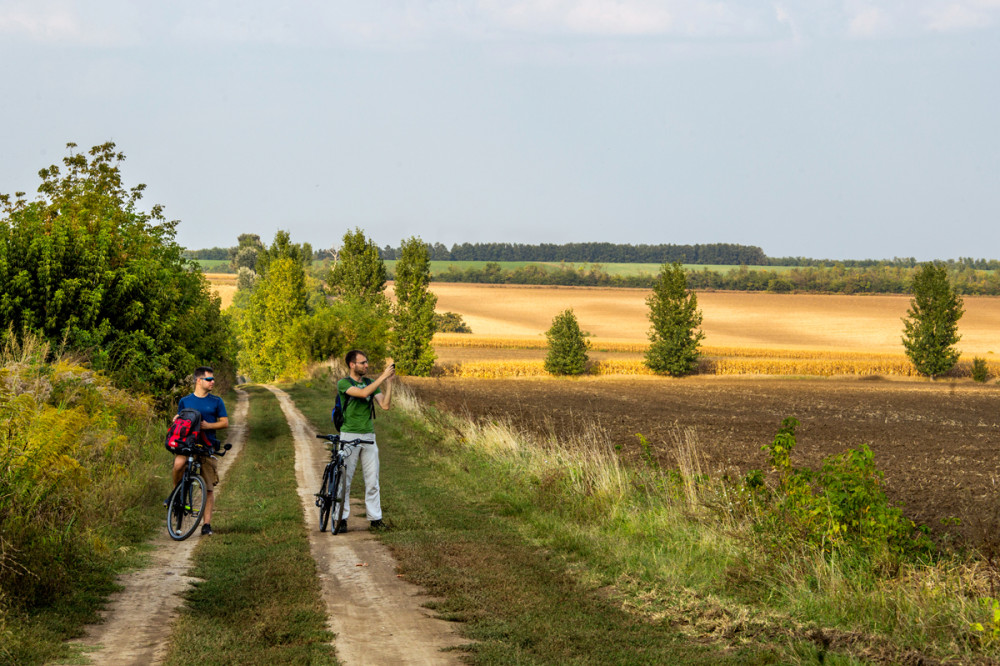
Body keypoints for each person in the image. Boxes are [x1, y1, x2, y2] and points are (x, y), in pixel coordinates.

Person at [335, 349, 394, 532]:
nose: (366, 365)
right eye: (363, 363)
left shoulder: (371, 383)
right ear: (352, 365)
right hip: (349, 435)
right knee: (345, 480)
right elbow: (361, 394)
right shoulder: (344, 383)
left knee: (372, 480)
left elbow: (384, 405)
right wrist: (383, 376)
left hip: (369, 436)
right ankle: (341, 518)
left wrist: (389, 384)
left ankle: (375, 519)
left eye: (367, 362)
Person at [173, 366, 228, 536]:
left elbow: (224, 422)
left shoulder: (216, 401)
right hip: (187, 444)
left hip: (207, 445)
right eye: (209, 379)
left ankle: (206, 525)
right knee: (178, 464)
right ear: (198, 380)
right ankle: (177, 494)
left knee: (209, 486)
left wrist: (208, 426)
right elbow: (179, 420)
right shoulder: (185, 401)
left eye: (212, 379)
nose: (212, 382)